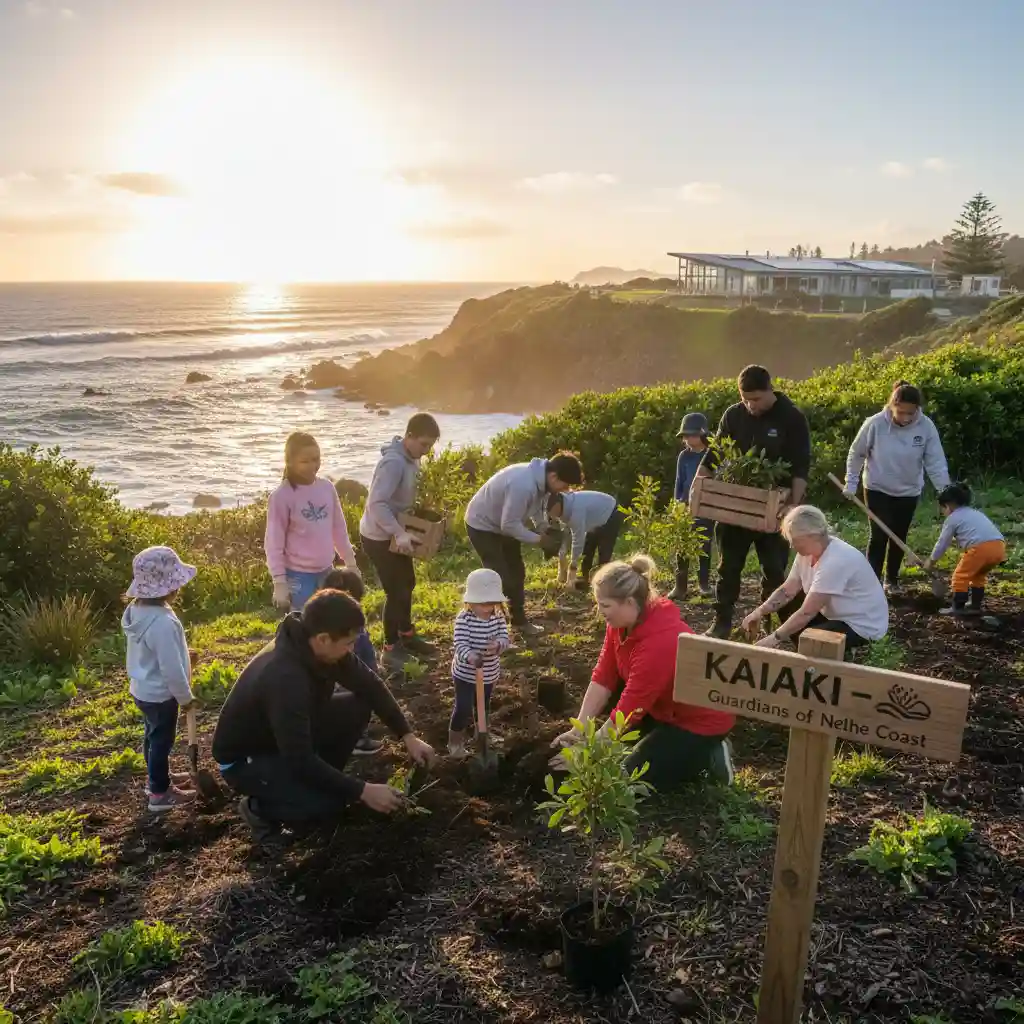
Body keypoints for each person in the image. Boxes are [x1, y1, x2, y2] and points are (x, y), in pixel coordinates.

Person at [212, 589, 436, 843]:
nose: (351, 649)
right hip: (248, 759)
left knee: (358, 704)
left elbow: (371, 686)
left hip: (285, 736)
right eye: (348, 643)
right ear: (323, 639)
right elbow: (298, 757)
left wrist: (408, 736)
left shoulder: (317, 647)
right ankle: (258, 810)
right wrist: (361, 790)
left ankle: (321, 779)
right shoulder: (285, 678)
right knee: (327, 805)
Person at [550, 556, 735, 791]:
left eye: (605, 606)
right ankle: (662, 741)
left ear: (629, 602)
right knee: (616, 756)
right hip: (662, 706)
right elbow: (603, 675)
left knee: (628, 780)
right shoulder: (621, 624)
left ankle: (710, 752)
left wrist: (585, 753)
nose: (600, 612)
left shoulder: (662, 640)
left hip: (697, 721)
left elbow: (632, 706)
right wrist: (579, 730)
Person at [696, 365, 812, 638]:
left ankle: (768, 624)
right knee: (728, 567)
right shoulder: (734, 415)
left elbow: (800, 466)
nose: (750, 405)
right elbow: (713, 457)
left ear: (770, 390)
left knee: (773, 570)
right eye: (745, 398)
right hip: (736, 506)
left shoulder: (791, 418)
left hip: (774, 509)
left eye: (756, 399)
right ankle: (722, 622)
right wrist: (697, 489)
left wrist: (792, 507)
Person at [843, 381, 950, 595]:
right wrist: (851, 482)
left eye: (911, 413)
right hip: (877, 488)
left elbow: (935, 462)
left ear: (917, 410)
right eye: (901, 412)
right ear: (892, 405)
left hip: (908, 491)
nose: (906, 418)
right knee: (879, 534)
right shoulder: (874, 424)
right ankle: (871, 583)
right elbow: (857, 453)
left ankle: (891, 580)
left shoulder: (926, 426)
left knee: (899, 536)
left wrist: (945, 492)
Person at [465, 452, 584, 635]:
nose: (565, 490)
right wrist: (539, 540)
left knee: (517, 572)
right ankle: (489, 632)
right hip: (482, 524)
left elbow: (536, 508)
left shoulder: (543, 483)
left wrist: (542, 527)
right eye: (565, 485)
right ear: (554, 476)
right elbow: (509, 524)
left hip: (503, 524)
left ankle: (519, 622)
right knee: (498, 577)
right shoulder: (523, 484)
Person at [742, 505, 888, 654]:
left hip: (860, 626)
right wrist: (759, 612)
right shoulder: (806, 554)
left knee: (815, 643)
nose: (791, 546)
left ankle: (822, 658)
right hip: (833, 615)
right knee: (788, 604)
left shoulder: (836, 561)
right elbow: (787, 590)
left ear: (812, 536)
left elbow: (807, 612)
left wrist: (772, 640)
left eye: (795, 540)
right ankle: (803, 649)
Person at [359, 414, 442, 671]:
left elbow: (400, 499)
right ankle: (390, 650)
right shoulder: (393, 463)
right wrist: (398, 533)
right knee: (396, 591)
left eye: (430, 446)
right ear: (409, 436)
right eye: (424, 445)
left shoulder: (411, 459)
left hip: (396, 533)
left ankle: (407, 635)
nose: (426, 451)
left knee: (408, 583)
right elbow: (376, 504)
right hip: (378, 536)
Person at [122, 546, 198, 813]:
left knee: (152, 737)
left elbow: (155, 652)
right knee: (161, 741)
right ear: (169, 587)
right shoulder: (163, 622)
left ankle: (156, 778)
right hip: (162, 693)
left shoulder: (138, 611)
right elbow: (170, 668)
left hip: (143, 688)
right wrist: (185, 697)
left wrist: (183, 653)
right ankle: (159, 794)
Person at [266, 432, 357, 612]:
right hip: (297, 576)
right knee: (303, 626)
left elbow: (338, 528)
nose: (312, 466)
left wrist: (351, 563)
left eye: (316, 459)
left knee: (330, 623)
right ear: (289, 462)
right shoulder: (281, 496)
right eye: (305, 461)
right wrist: (279, 582)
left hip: (327, 571)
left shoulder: (327, 488)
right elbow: (273, 543)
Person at [448, 569, 511, 758]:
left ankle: (482, 734)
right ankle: (455, 742)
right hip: (465, 674)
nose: (487, 607)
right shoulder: (464, 619)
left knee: (483, 705)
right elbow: (460, 643)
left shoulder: (498, 616)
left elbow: (504, 637)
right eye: (483, 603)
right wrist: (471, 656)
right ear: (470, 600)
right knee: (464, 707)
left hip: (490, 672)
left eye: (491, 603)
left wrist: (498, 645)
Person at [322, 567, 385, 754]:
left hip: (362, 667)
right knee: (359, 700)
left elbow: (364, 646)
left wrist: (373, 666)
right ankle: (355, 739)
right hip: (347, 678)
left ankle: (357, 732)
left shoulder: (355, 621)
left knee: (369, 695)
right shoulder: (332, 628)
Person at [921, 483, 1005, 616]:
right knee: (978, 575)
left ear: (947, 506)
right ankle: (975, 605)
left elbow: (942, 543)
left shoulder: (953, 519)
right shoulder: (975, 513)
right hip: (999, 547)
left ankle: (957, 608)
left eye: (942, 509)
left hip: (980, 548)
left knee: (960, 576)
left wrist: (931, 561)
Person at [669, 411, 714, 601]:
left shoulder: (711, 454)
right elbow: (679, 481)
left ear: (703, 434)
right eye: (685, 436)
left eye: (692, 435)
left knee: (704, 544)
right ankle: (680, 586)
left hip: (705, 506)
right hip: (685, 506)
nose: (688, 439)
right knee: (683, 546)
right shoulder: (684, 456)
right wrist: (677, 503)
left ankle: (704, 584)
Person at [547, 490, 624, 591]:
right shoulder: (563, 509)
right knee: (587, 551)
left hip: (611, 512)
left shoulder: (575, 510)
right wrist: (562, 556)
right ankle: (586, 582)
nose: (550, 515)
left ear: (557, 505)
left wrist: (572, 567)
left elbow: (578, 539)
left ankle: (602, 586)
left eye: (550, 511)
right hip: (594, 517)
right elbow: (566, 533)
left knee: (604, 552)